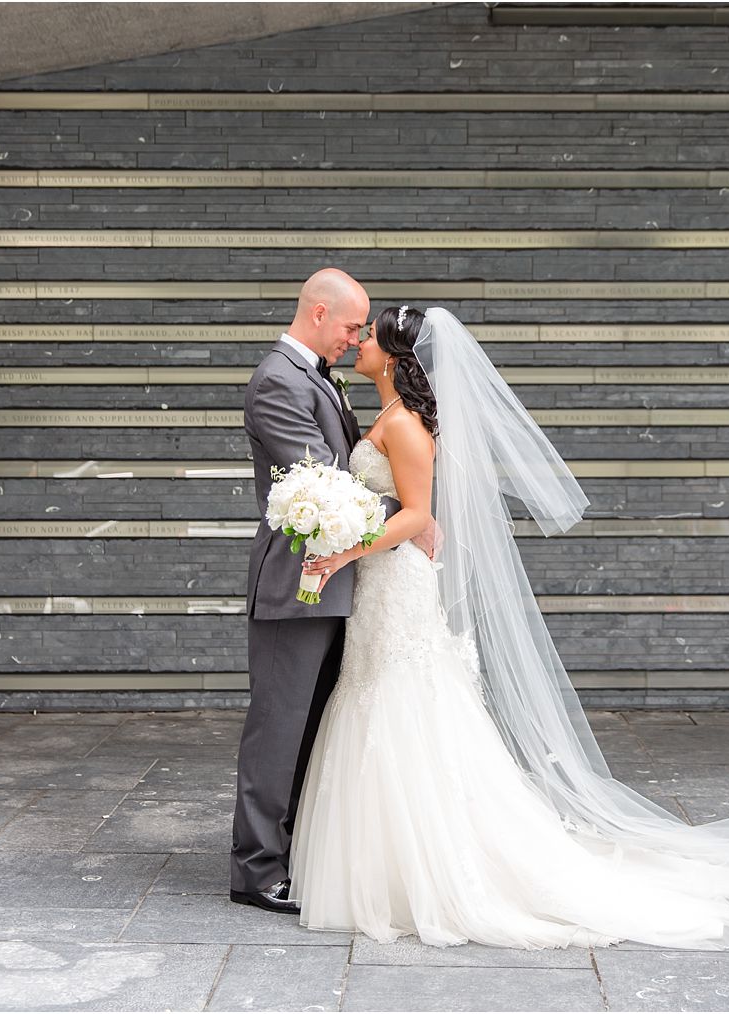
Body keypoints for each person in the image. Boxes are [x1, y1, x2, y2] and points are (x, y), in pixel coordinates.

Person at [287, 306, 729, 949]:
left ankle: (434, 867)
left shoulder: (409, 427)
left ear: (392, 356)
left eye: (368, 335)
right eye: (355, 332)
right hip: (383, 588)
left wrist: (344, 547)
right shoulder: (390, 418)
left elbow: (419, 514)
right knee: (375, 699)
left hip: (398, 592)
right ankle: (388, 859)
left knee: (404, 703)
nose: (357, 342)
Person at [230, 268, 436, 913]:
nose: (355, 339)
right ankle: (257, 871)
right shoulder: (278, 383)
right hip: (299, 580)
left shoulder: (317, 377)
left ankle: (295, 853)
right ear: (319, 313)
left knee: (315, 725)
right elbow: (321, 484)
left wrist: (416, 513)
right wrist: (410, 514)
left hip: (342, 576)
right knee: (280, 725)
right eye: (351, 326)